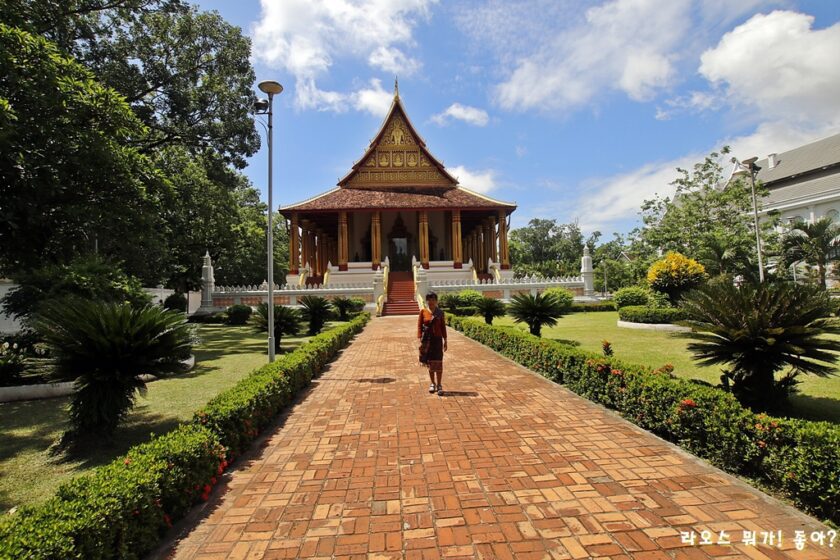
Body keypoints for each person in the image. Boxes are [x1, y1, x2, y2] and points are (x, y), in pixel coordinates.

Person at [417, 292, 447, 394]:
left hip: (438, 340)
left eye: (433, 299)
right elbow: (419, 326)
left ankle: (439, 384)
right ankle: (432, 383)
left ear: (436, 301)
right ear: (427, 301)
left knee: (438, 362)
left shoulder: (440, 313)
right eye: (429, 299)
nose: (431, 301)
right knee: (429, 363)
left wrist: (445, 340)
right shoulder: (423, 312)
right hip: (427, 340)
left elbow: (443, 327)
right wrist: (420, 338)